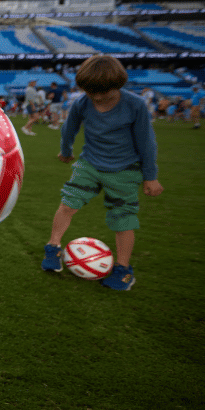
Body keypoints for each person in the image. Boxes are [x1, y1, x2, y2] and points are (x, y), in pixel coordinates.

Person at [41, 54, 163, 291]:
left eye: (103, 91)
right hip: (89, 165)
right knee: (67, 204)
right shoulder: (81, 103)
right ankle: (53, 248)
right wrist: (65, 151)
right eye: (90, 91)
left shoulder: (135, 105)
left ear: (117, 84)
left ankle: (123, 269)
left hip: (124, 171)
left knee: (122, 218)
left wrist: (151, 176)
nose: (96, 96)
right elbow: (69, 129)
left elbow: (147, 142)